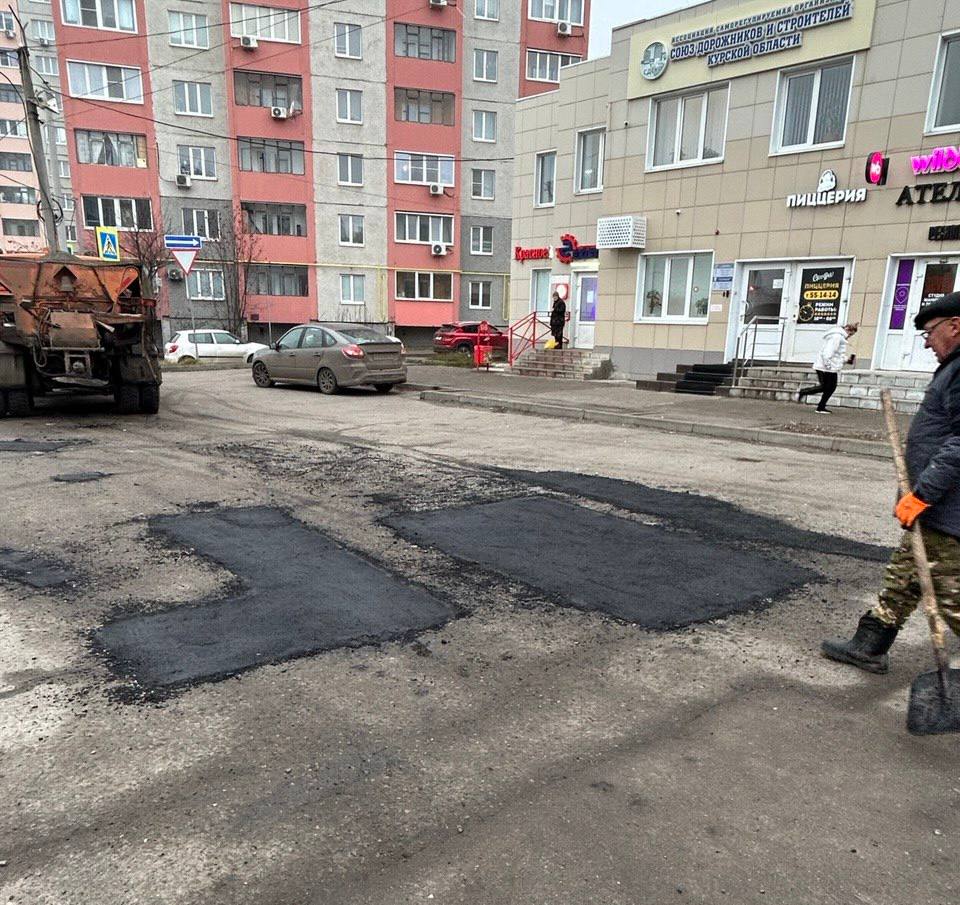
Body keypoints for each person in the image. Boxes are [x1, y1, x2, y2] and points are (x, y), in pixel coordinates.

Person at [822, 294, 960, 673]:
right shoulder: (953, 367)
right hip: (936, 506)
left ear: (955, 325)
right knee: (905, 573)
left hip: (947, 507)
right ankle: (868, 645)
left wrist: (923, 494)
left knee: (950, 595)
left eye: (929, 333)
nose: (927, 342)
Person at [797, 322, 858, 413]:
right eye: (851, 334)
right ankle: (811, 399)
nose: (850, 336)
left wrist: (846, 360)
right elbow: (828, 353)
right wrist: (828, 366)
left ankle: (818, 405)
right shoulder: (837, 337)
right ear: (847, 329)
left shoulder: (839, 337)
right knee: (828, 387)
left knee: (828, 387)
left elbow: (837, 354)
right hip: (826, 367)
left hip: (827, 366)